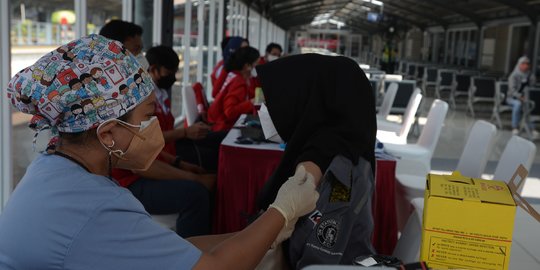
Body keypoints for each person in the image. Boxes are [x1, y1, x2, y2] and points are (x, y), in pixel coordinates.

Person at [0, 35, 319, 269]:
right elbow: (214, 268)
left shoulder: (54, 170)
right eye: (144, 118)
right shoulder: (98, 207)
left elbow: (174, 250)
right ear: (108, 133)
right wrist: (282, 211)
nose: (152, 128)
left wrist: (261, 234)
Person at [255, 54, 377, 268]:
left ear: (306, 100)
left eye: (271, 100)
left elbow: (317, 261)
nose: (265, 107)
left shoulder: (341, 177)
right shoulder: (315, 150)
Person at [144, 45, 225, 172]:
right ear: (153, 69)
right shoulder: (145, 99)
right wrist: (185, 132)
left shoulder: (161, 94)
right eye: (169, 73)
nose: (173, 78)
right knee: (215, 158)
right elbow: (148, 139)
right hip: (163, 156)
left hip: (172, 147)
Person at [207, 46, 260, 131]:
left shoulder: (234, 75)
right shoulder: (239, 82)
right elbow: (230, 112)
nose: (259, 67)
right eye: (257, 64)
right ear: (247, 66)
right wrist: (252, 102)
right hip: (221, 127)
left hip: (217, 122)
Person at [507, 56, 537, 136]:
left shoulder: (530, 75)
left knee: (530, 105)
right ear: (519, 64)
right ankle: (514, 126)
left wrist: (526, 97)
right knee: (518, 104)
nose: (525, 65)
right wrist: (520, 97)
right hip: (512, 98)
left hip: (526, 98)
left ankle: (532, 127)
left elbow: (532, 87)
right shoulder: (513, 75)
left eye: (527, 64)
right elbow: (512, 90)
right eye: (523, 63)